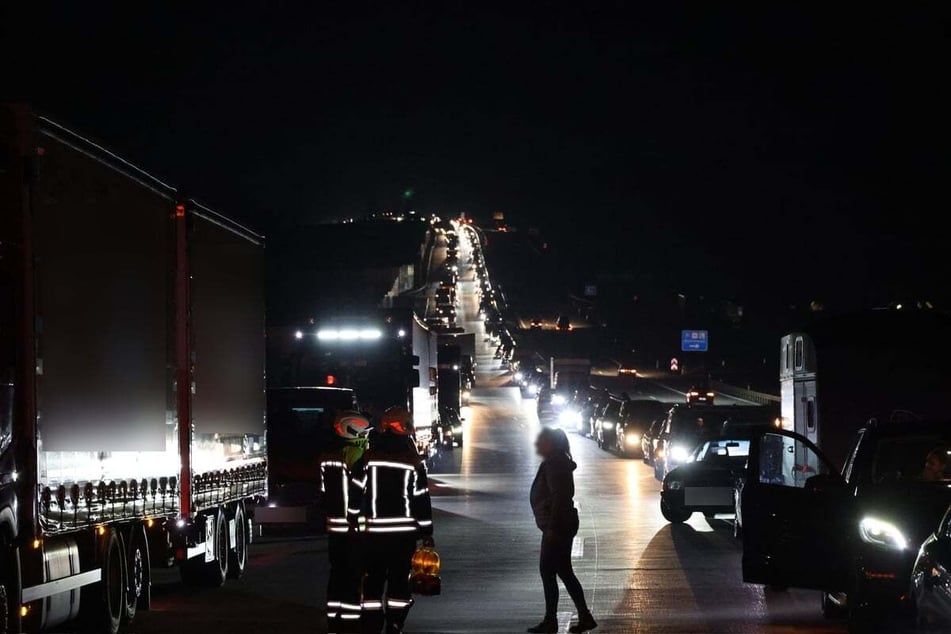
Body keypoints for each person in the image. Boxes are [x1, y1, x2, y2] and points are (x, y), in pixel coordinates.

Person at [359, 406, 434, 634]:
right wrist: (427, 533)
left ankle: (372, 625)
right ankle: (395, 624)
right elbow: (421, 499)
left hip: (373, 535)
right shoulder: (413, 462)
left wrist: (355, 522)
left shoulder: (369, 458)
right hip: (403, 537)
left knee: (372, 583)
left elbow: (355, 493)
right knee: (399, 583)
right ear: (405, 428)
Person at [528, 428, 596, 633]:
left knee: (549, 571)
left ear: (551, 444)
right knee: (563, 571)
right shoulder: (556, 463)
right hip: (558, 525)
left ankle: (552, 621)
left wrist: (553, 529)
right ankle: (583, 617)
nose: (537, 445)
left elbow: (559, 498)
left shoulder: (555, 465)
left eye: (542, 441)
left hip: (557, 527)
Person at [318, 411, 372, 633]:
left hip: (334, 528)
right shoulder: (358, 457)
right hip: (354, 529)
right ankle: (350, 623)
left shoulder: (327, 458)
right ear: (354, 431)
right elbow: (361, 491)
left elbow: (323, 493)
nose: (368, 438)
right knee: (353, 577)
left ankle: (333, 620)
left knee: (336, 575)